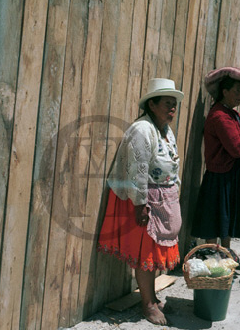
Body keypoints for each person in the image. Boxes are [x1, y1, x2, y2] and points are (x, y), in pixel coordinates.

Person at [97, 78, 184, 325]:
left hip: (161, 200)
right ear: (152, 104)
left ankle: (152, 297)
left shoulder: (165, 131)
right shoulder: (142, 130)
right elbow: (137, 169)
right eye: (168, 103)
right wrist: (140, 204)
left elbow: (172, 165)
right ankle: (147, 305)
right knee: (146, 254)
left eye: (174, 104)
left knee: (155, 254)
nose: (172, 108)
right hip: (144, 202)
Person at [191, 67, 240, 264]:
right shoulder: (220, 117)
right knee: (216, 214)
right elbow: (239, 149)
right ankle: (212, 252)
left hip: (231, 173)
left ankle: (225, 251)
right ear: (225, 91)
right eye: (237, 91)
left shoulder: (232, 115)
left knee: (227, 213)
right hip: (220, 174)